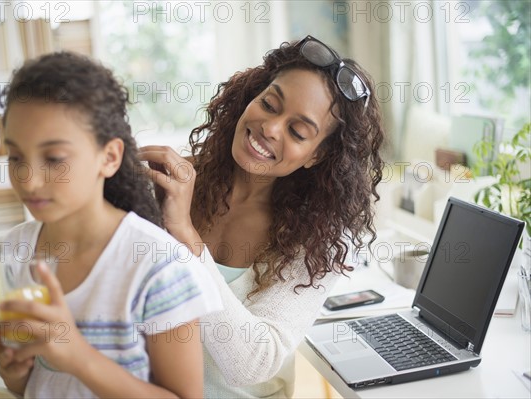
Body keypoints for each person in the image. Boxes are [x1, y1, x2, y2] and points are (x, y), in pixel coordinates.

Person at [139, 35, 385, 398]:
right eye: (269, 104)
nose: (270, 128)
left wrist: (185, 239)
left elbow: (252, 363)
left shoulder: (319, 244)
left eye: (297, 131)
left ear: (316, 156)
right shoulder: (173, 188)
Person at [0, 51, 222, 398]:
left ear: (109, 157)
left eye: (54, 159)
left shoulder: (160, 267)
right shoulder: (9, 257)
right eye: (16, 157)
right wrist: (14, 373)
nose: (29, 180)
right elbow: (35, 385)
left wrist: (78, 357)